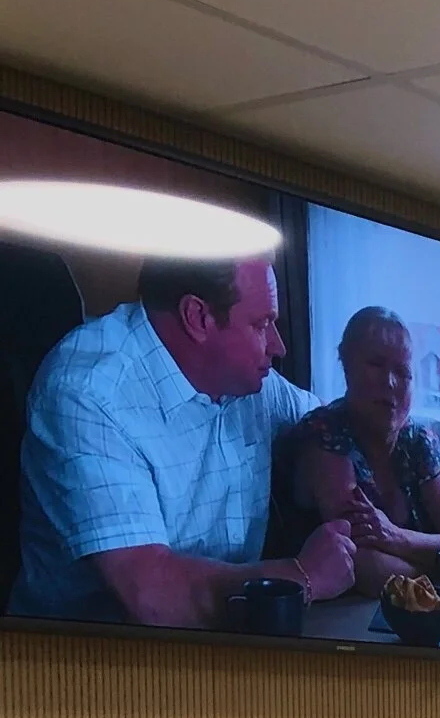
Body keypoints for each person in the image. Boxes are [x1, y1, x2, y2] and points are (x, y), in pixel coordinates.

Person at [11, 255, 353, 626]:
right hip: (82, 653)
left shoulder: (249, 381)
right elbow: (151, 595)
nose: (278, 346)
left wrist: (342, 475)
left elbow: (326, 421)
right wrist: (303, 576)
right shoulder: (88, 393)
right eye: (261, 324)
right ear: (198, 317)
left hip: (230, 639)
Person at [288, 306, 440, 594]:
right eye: (376, 364)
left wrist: (394, 537)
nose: (390, 382)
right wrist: (437, 565)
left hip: (409, 603)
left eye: (402, 372)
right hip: (333, 610)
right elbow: (363, 564)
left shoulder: (418, 440)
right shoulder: (325, 433)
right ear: (346, 367)